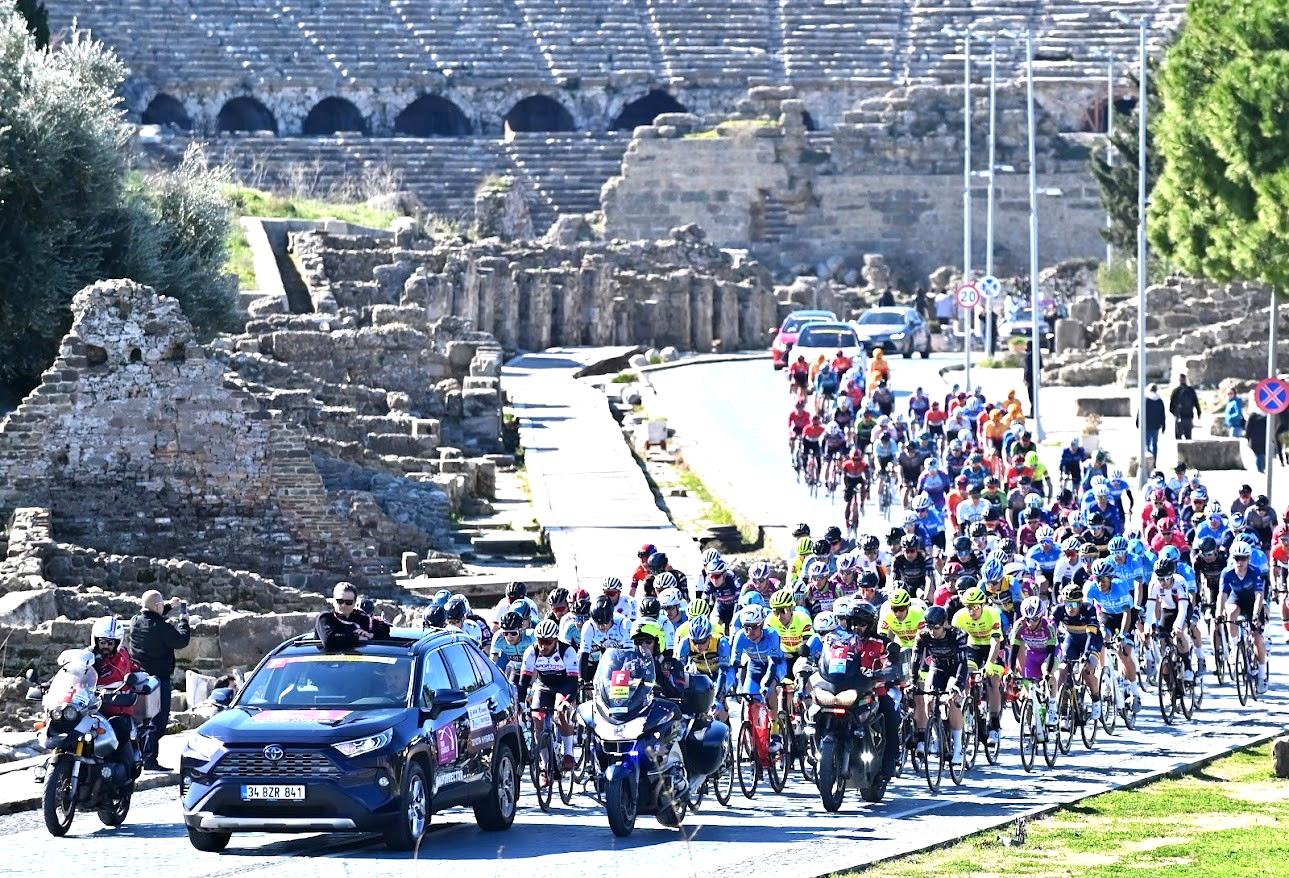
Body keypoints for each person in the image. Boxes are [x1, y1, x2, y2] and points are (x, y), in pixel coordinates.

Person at [128, 590, 190, 771]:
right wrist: (184, 621)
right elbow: (181, 640)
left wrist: (170, 605)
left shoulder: (135, 621)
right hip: (158, 680)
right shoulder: (161, 627)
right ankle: (149, 760)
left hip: (138, 679)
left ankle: (137, 755)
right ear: (157, 606)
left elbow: (151, 611)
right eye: (161, 604)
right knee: (158, 721)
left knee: (140, 720)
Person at [90, 617, 144, 777]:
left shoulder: (121, 658)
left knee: (120, 731)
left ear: (117, 643)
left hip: (117, 707)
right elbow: (70, 671)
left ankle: (124, 777)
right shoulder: (87, 656)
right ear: (95, 640)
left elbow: (131, 669)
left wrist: (138, 677)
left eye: (110, 643)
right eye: (102, 642)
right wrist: (49, 684)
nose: (105, 646)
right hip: (91, 707)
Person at [315, 581, 390, 649]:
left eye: (348, 602)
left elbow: (384, 630)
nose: (343, 605)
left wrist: (371, 635)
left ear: (354, 603)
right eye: (340, 601)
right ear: (333, 601)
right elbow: (329, 641)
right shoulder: (325, 618)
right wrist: (357, 638)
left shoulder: (360, 617)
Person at [1168, 374, 1201, 440]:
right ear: (1185, 380)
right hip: (1189, 416)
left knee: (1178, 438)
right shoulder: (1191, 390)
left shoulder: (1176, 391)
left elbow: (1171, 406)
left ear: (1179, 380)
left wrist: (1175, 414)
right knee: (1188, 437)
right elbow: (1196, 402)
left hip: (1179, 417)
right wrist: (1198, 413)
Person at [1138, 384, 1166, 460]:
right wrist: (1163, 426)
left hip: (1146, 425)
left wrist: (1138, 423)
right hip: (1156, 426)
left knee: (1146, 444)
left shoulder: (1145, 400)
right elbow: (1162, 414)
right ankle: (1154, 461)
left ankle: (1148, 461)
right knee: (1154, 444)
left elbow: (1140, 412)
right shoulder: (1159, 401)